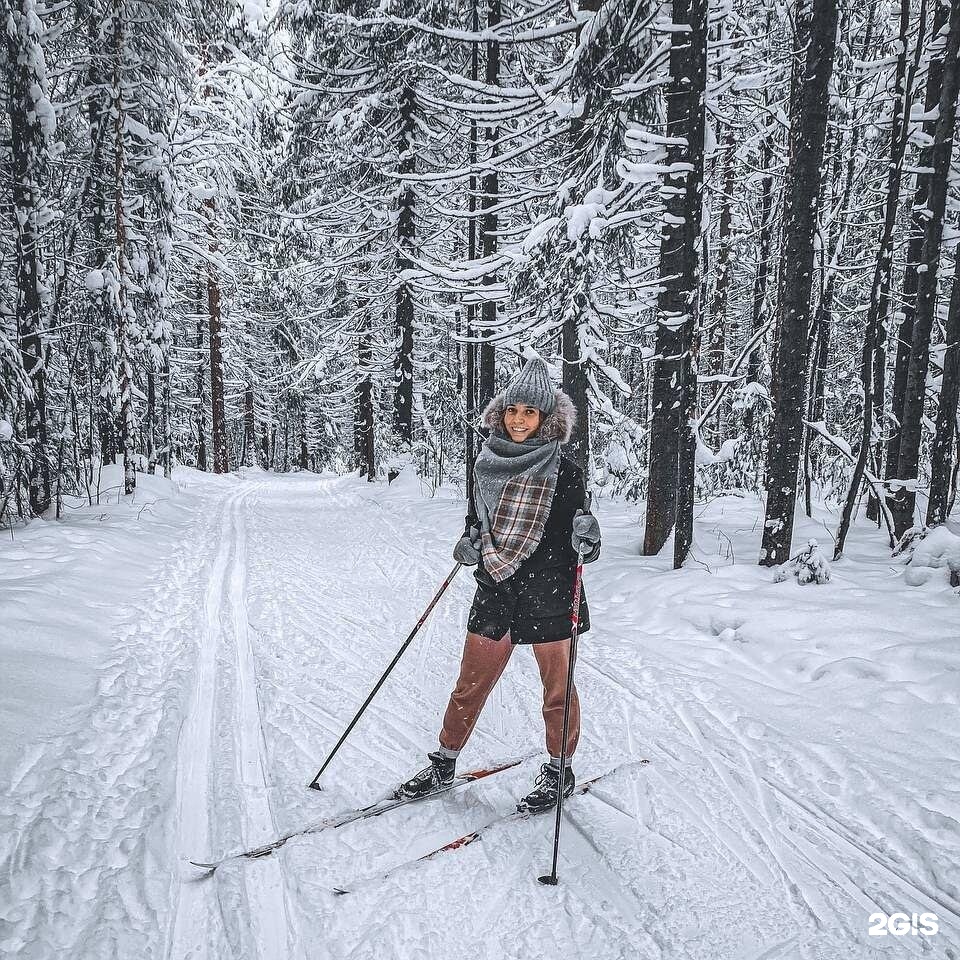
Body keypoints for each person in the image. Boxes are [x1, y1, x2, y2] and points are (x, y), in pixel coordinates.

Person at [399, 357, 601, 813]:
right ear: (501, 412)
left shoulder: (564, 469)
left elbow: (580, 528)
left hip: (550, 590)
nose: (519, 420)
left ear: (546, 418)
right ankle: (444, 763)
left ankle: (558, 770)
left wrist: (588, 536)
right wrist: (468, 542)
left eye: (530, 412)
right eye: (512, 410)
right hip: (495, 587)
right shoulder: (484, 463)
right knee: (470, 683)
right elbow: (477, 523)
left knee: (557, 690)